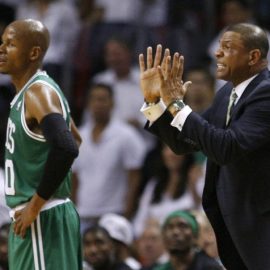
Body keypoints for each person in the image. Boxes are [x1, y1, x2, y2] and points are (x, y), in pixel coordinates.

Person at [139, 22, 270, 269]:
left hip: (261, 223)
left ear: (253, 56)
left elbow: (226, 148)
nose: (217, 53)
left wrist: (177, 105)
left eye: (228, 48)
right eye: (219, 47)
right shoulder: (225, 95)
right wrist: (155, 101)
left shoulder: (266, 93)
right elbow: (183, 143)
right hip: (233, 223)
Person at [0, 19, 82, 269]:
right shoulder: (36, 91)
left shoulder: (38, 93)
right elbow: (76, 138)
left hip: (42, 217)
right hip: (41, 215)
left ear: (33, 53)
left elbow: (67, 147)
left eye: (10, 44)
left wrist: (35, 207)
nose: (1, 49)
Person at [72, 83, 145, 232]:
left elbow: (134, 177)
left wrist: (127, 213)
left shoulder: (126, 135)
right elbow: (74, 177)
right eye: (94, 99)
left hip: (114, 213)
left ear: (112, 102)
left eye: (103, 99)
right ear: (88, 104)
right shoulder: (79, 136)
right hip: (84, 214)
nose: (98, 104)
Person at [153, 210, 222, 270]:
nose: (175, 232)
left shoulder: (211, 267)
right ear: (163, 237)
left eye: (182, 226)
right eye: (170, 227)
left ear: (195, 237)